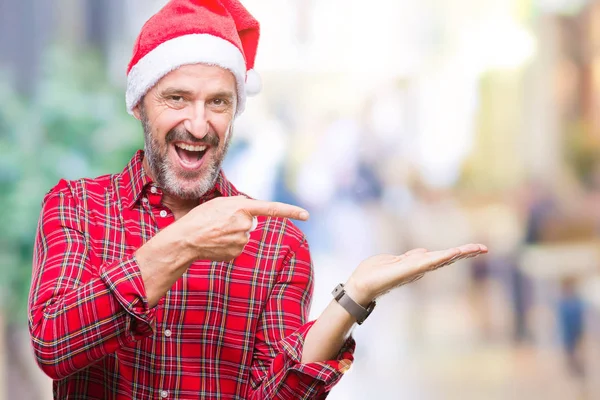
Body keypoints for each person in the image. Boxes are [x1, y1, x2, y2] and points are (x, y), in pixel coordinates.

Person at [27, 1, 488, 398]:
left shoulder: (276, 242)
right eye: (177, 98)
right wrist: (183, 244)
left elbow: (273, 393)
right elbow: (53, 345)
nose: (199, 123)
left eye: (219, 103)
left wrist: (353, 298)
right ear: (138, 103)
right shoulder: (77, 208)